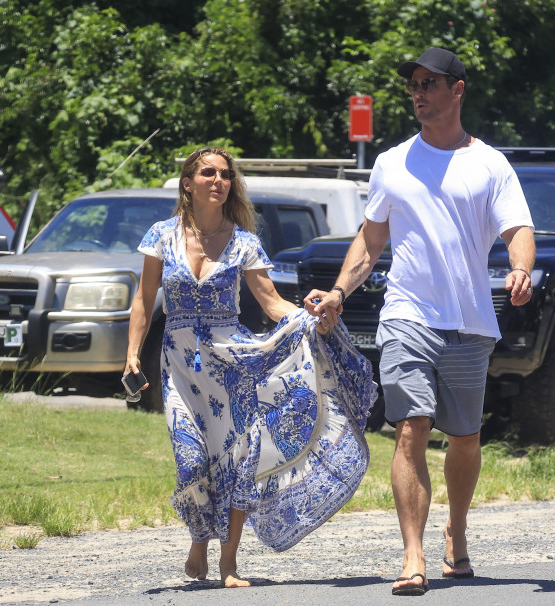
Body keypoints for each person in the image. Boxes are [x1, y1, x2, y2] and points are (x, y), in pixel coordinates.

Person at [304, 47, 536, 596]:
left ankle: (456, 530)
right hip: (407, 314)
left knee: (466, 438)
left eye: (430, 82)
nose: (418, 91)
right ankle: (414, 555)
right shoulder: (391, 162)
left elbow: (518, 228)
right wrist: (339, 291)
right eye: (414, 83)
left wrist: (522, 268)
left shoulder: (490, 164)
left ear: (458, 89)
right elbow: (370, 237)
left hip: (471, 321)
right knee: (411, 428)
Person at [125, 146, 375, 588]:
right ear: (188, 183)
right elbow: (144, 299)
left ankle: (229, 562)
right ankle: (199, 539)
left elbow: (272, 303)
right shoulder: (161, 235)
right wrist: (131, 354)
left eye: (225, 174)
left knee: (238, 459)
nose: (218, 180)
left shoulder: (244, 242)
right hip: (180, 365)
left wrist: (309, 317)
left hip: (233, 364)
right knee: (190, 460)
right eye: (208, 173)